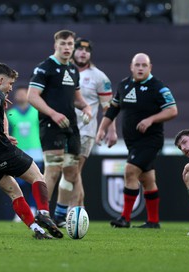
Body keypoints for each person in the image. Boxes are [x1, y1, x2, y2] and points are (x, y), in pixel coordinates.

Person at [0, 62, 63, 239]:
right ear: (0, 80)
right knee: (38, 177)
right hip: (0, 151)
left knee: (14, 193)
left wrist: (3, 131)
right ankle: (44, 214)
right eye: (10, 83)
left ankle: (36, 230)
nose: (10, 88)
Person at [96, 53, 178, 228]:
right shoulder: (124, 85)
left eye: (144, 65)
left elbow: (172, 110)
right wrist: (102, 129)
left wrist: (151, 119)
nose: (140, 68)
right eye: (137, 65)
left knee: (130, 171)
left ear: (150, 67)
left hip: (151, 141)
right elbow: (112, 110)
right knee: (147, 180)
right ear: (131, 67)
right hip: (132, 142)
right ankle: (153, 221)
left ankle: (124, 218)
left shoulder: (158, 87)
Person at [27, 30, 92, 218]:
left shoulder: (72, 69)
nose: (67, 48)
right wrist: (53, 114)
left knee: (71, 172)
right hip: (50, 126)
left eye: (70, 44)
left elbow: (77, 99)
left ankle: (60, 216)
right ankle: (42, 215)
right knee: (53, 170)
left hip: (71, 127)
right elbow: (32, 96)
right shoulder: (45, 68)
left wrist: (86, 107)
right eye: (63, 44)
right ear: (55, 45)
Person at [54, 38, 118, 227]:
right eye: (79, 49)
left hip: (85, 131)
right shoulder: (63, 71)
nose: (83, 53)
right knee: (72, 173)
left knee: (72, 171)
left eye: (87, 50)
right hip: (63, 129)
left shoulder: (99, 77)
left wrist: (111, 131)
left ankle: (73, 213)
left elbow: (109, 107)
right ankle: (79, 212)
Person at [7, 86, 43, 220]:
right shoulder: (10, 114)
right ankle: (23, 211)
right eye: (19, 93)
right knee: (19, 184)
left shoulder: (37, 112)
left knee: (35, 183)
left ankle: (36, 209)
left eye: (24, 93)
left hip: (36, 152)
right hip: (19, 153)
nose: (21, 96)